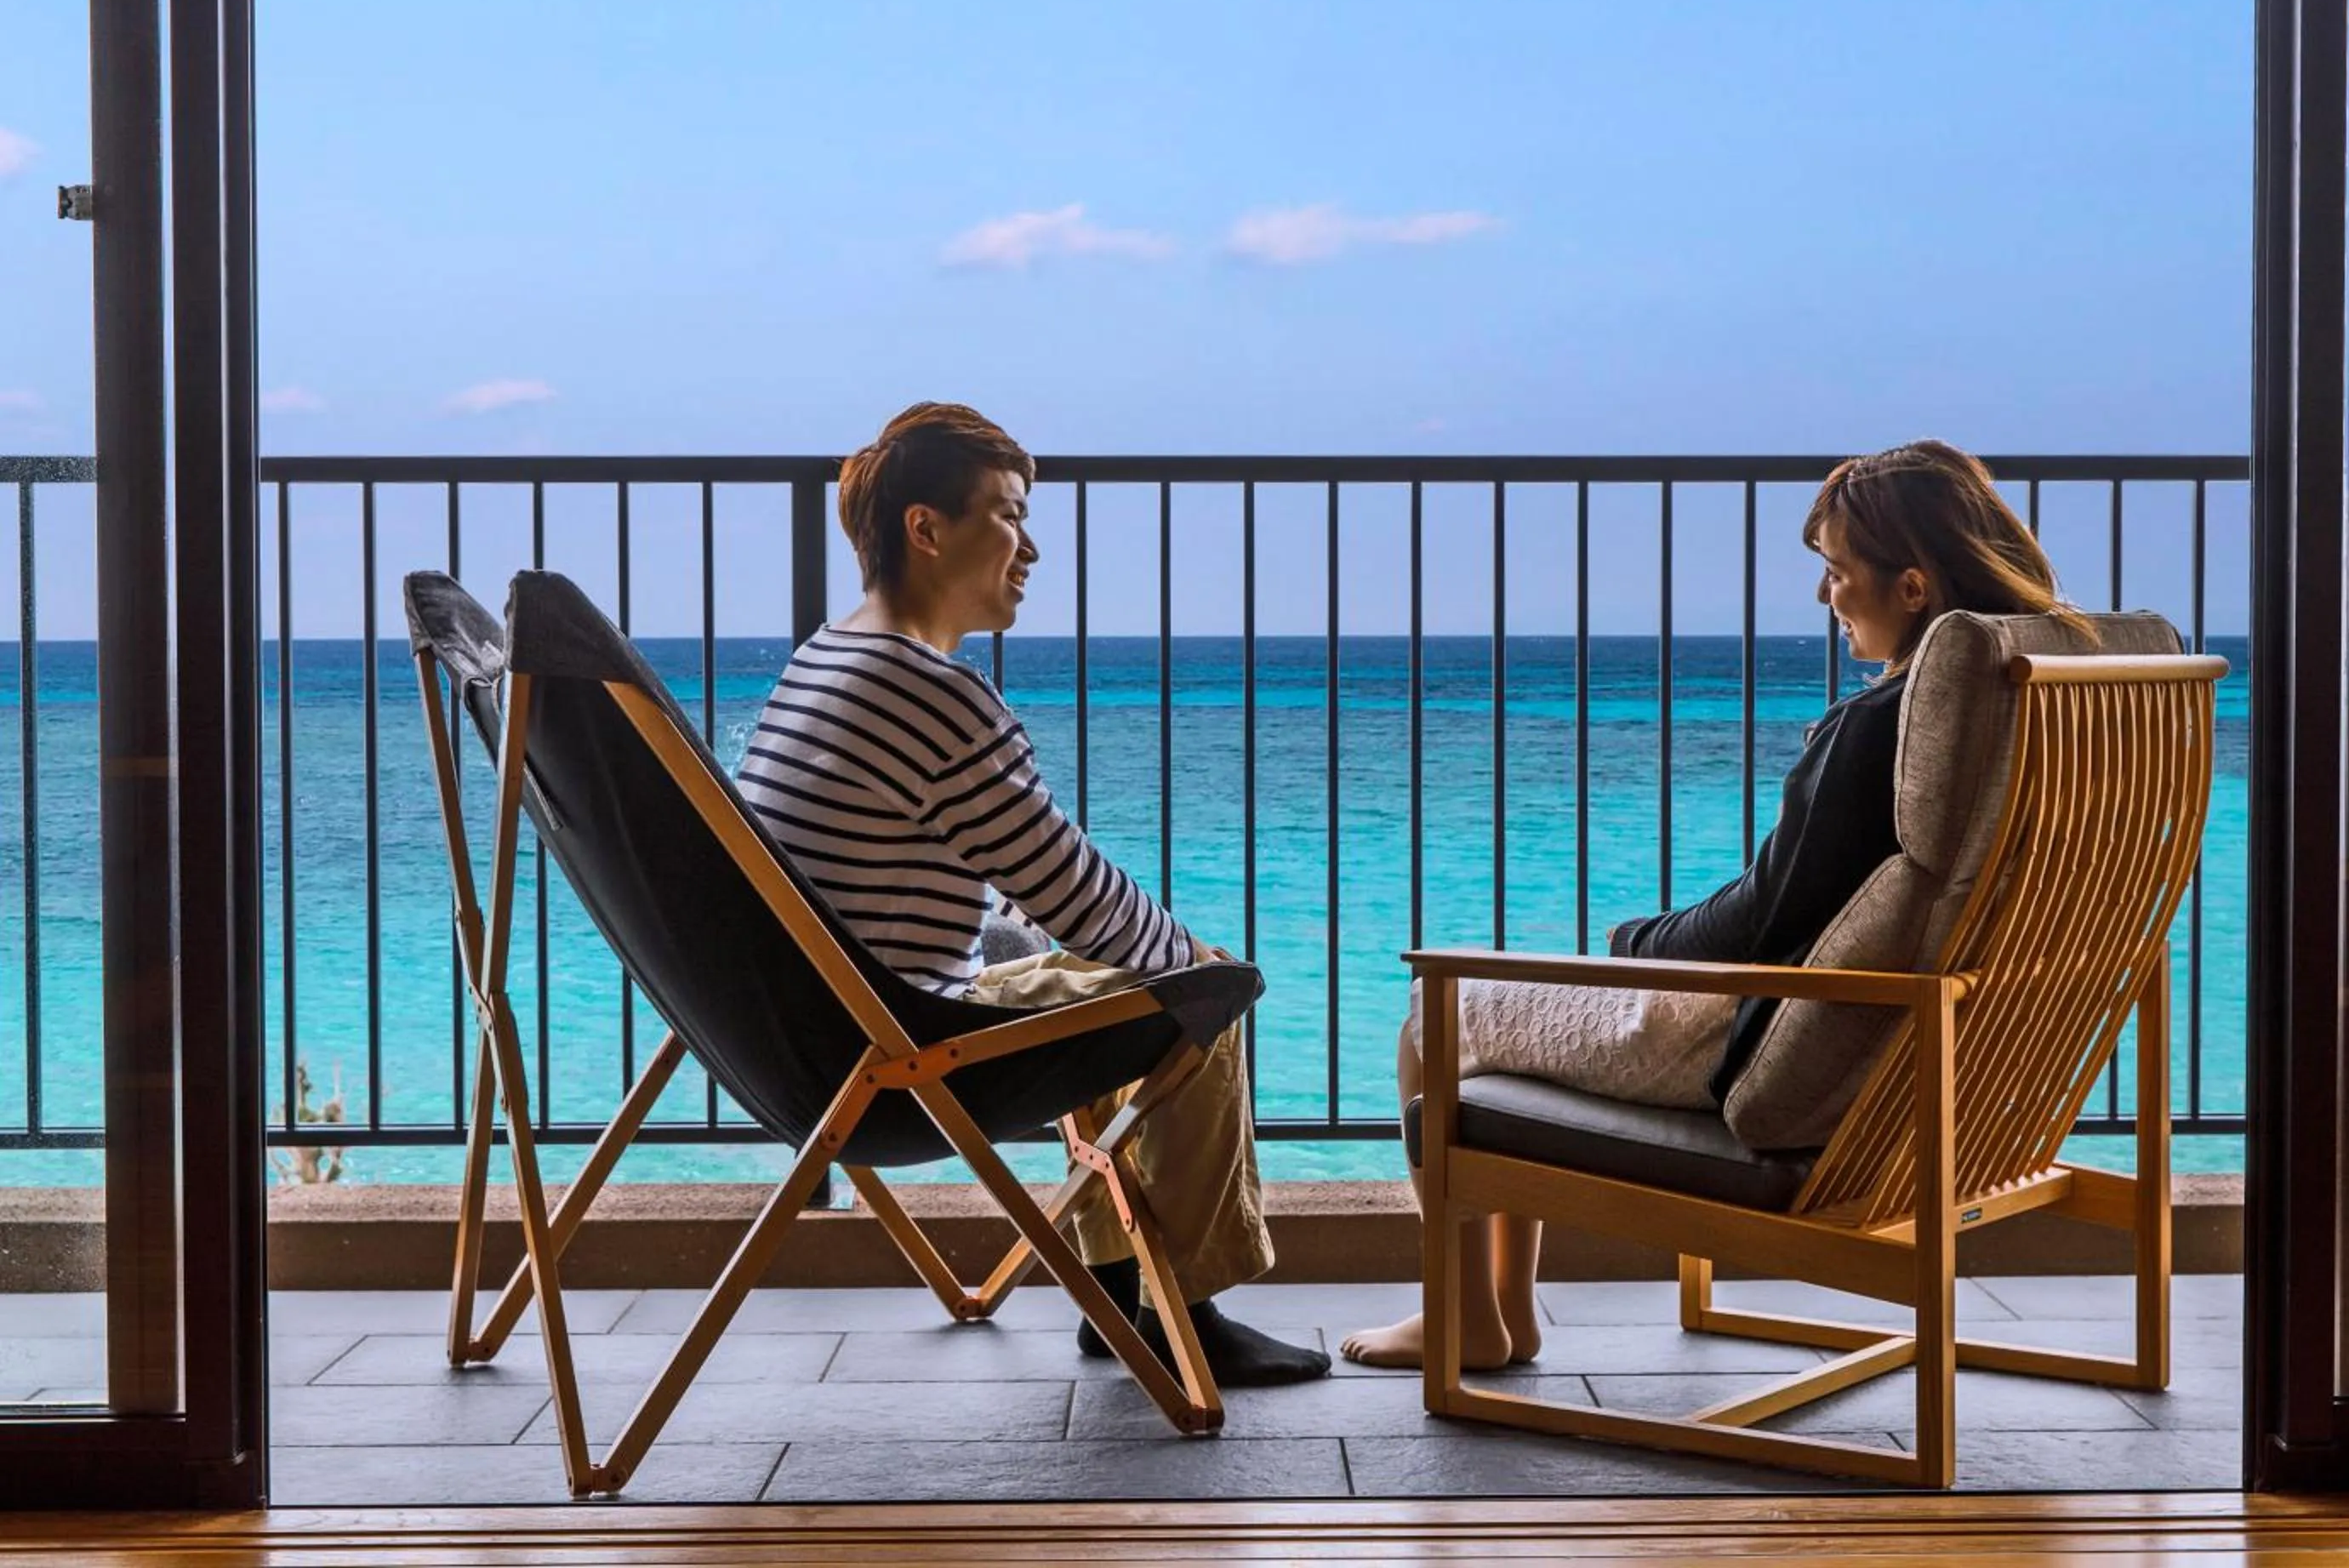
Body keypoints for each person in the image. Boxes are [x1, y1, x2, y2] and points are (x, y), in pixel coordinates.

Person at [1341, 440, 2094, 1371]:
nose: (1826, 596)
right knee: (1508, 1009)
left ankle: (1468, 1313)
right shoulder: (2037, 711)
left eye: (1836, 571)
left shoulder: (1874, 735)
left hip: (1756, 1045)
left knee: (1438, 1013)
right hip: (1935, 1073)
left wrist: (1635, 940)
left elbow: (1761, 919)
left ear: (1911, 586)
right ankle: (1505, 1315)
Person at [738, 402, 1329, 1387]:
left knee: (1118, 977)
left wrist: (1089, 948)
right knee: (1200, 996)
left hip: (803, 1032)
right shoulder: (935, 695)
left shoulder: (827, 657)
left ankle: (1115, 1289)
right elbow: (1078, 896)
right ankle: (1181, 1305)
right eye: (1008, 514)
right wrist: (1200, 966)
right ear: (927, 529)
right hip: (896, 1057)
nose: (1032, 548)